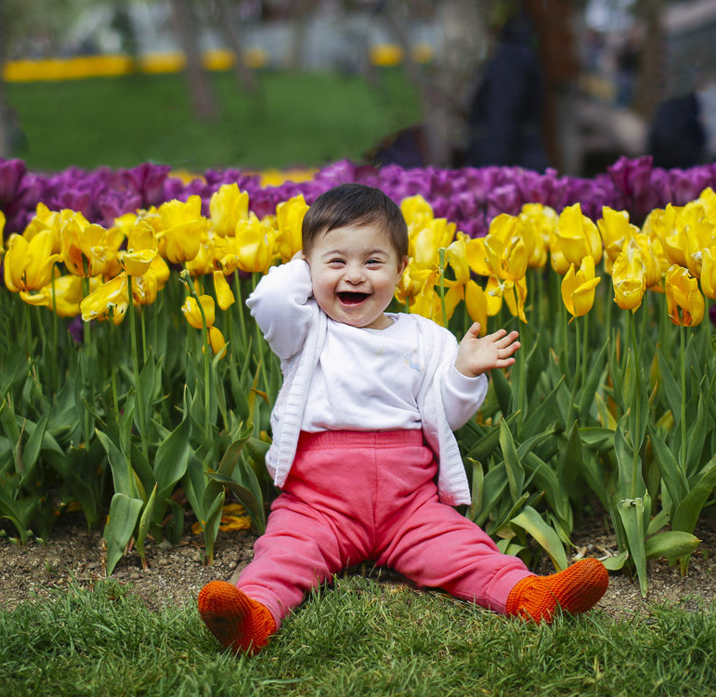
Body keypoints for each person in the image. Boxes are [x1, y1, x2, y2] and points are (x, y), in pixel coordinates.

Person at [196, 183, 608, 655]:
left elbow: (447, 415)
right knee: (285, 555)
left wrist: (464, 371)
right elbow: (269, 299)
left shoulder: (426, 337)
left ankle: (533, 595)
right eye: (337, 262)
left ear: (402, 271)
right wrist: (304, 266)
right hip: (319, 504)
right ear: (307, 269)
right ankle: (252, 614)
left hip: (408, 504)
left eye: (373, 262)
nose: (355, 276)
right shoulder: (305, 331)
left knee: (463, 549)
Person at [465, 14, 548, 170]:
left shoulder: (503, 58)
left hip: (498, 146)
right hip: (518, 147)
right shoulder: (525, 57)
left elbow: (492, 104)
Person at [647, 91, 711, 170]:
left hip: (659, 162)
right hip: (685, 164)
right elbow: (701, 138)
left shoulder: (666, 106)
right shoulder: (691, 109)